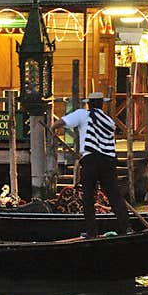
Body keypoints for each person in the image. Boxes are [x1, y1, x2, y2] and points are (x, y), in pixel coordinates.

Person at [51, 91, 130, 238]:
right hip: (108, 161)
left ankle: (91, 232)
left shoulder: (82, 114)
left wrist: (52, 129)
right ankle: (127, 228)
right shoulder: (109, 121)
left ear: (89, 104)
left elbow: (60, 123)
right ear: (102, 104)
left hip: (91, 160)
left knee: (88, 197)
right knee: (114, 196)